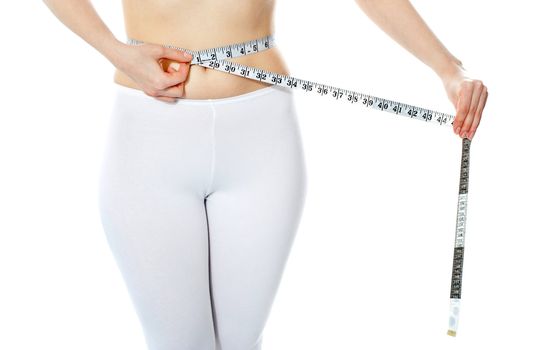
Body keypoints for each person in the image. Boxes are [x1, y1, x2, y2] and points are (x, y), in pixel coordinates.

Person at [42, 0, 488, 349]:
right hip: (149, 137)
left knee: (243, 343)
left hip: (261, 139)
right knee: (178, 345)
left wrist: (450, 69)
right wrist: (115, 51)